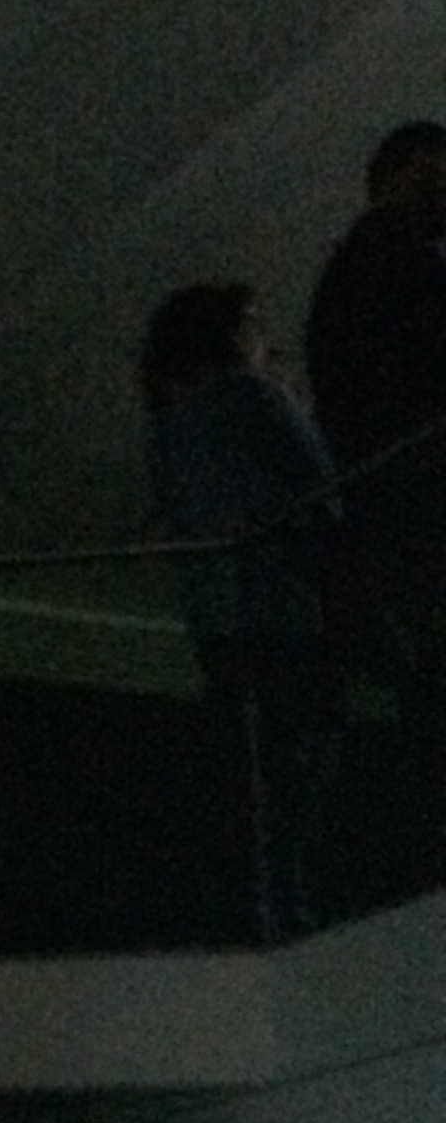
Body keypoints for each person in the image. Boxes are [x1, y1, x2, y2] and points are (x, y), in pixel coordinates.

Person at [143, 281, 340, 940]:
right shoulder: (252, 394)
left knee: (244, 763)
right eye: (252, 323)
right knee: (305, 747)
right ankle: (290, 892)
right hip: (281, 599)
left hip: (215, 612)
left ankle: (252, 902)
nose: (264, 337)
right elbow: (323, 482)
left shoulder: (167, 423)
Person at [303, 120, 446, 680]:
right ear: (397, 177)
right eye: (433, 179)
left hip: (394, 485)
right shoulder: (387, 263)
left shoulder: (367, 266)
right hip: (411, 484)